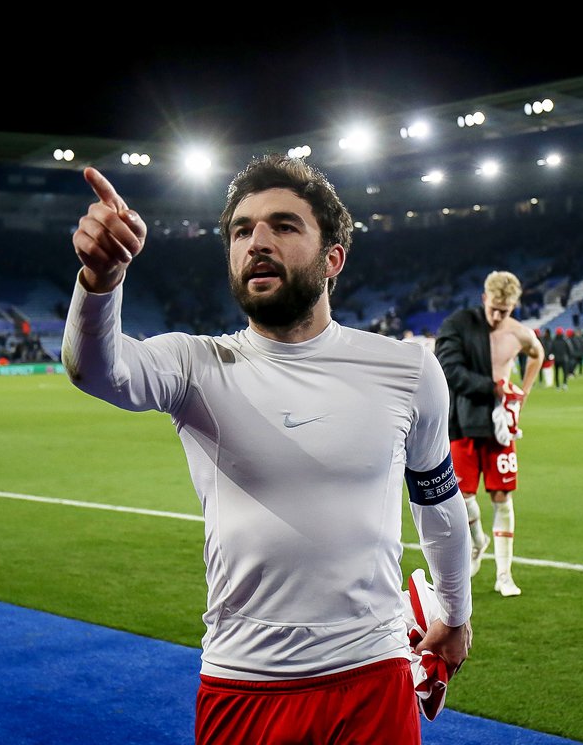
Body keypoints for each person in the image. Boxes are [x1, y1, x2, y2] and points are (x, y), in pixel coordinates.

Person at [61, 156, 472, 744]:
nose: (256, 241)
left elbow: (437, 502)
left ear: (333, 259)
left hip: (373, 674)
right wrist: (100, 281)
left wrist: (455, 614)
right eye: (241, 230)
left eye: (283, 225)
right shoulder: (196, 365)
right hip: (243, 682)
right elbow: (98, 370)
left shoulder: (408, 369)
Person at [434, 271, 544, 598]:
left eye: (504, 310)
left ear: (513, 307)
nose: (497, 316)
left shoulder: (519, 333)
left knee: (502, 496)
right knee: (462, 495)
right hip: (464, 419)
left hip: (500, 425)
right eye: (493, 308)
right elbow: (449, 368)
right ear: (484, 298)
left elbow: (537, 354)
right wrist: (494, 386)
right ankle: (478, 540)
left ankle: (504, 575)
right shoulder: (463, 325)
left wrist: (524, 393)